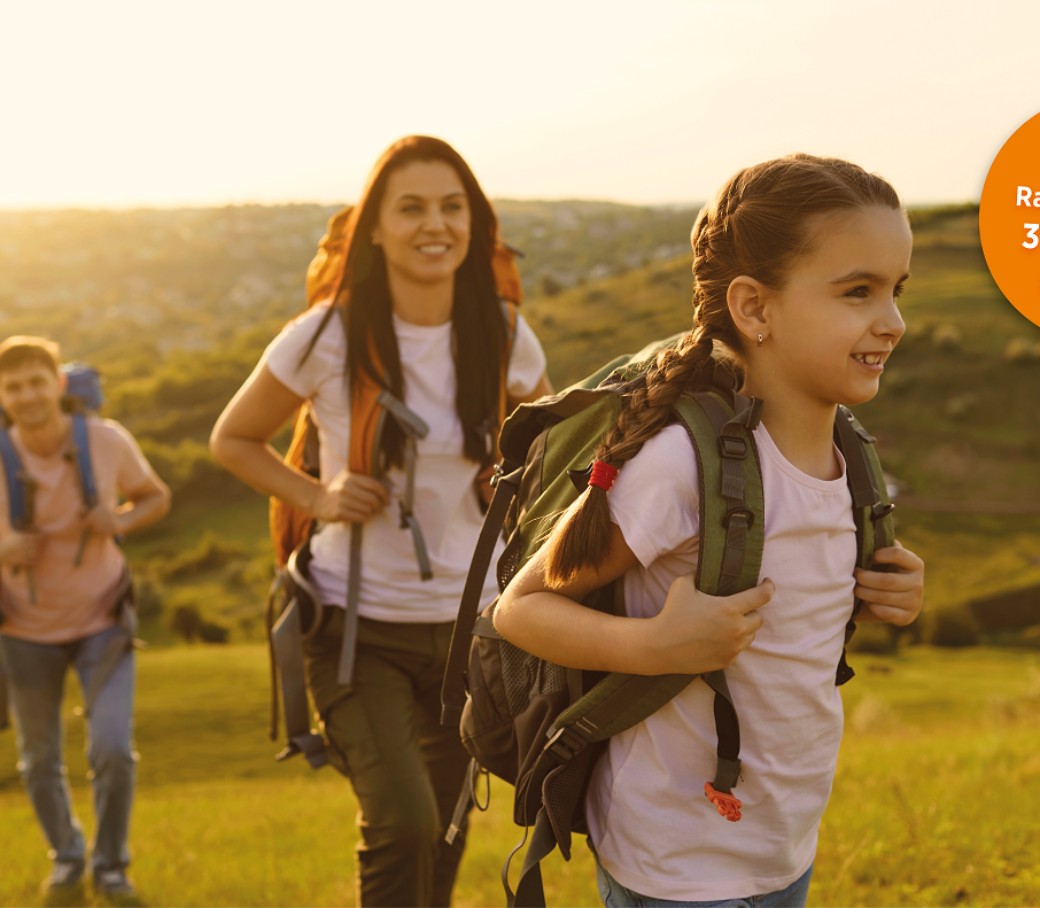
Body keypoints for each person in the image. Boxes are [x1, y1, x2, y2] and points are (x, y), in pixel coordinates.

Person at [493, 154, 925, 908]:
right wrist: (654, 647)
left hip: (780, 841)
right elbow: (521, 608)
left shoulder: (850, 455)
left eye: (896, 290)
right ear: (754, 309)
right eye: (858, 292)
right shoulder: (679, 466)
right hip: (674, 857)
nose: (891, 321)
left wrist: (888, 592)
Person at [210, 135, 551, 907]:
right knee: (401, 824)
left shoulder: (501, 331)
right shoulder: (327, 333)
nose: (435, 225)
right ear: (374, 228)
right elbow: (232, 438)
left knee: (446, 830)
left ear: (476, 224)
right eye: (412, 208)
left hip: (474, 633)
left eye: (452, 207)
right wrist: (320, 499)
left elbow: (549, 450)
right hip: (355, 627)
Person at [0, 336, 171, 900]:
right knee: (39, 759)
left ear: (59, 384)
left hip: (102, 618)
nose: (26, 395)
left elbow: (155, 498)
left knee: (113, 750)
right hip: (22, 630)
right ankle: (69, 859)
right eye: (13, 386)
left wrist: (118, 519)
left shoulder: (104, 439)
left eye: (35, 381)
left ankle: (112, 865)